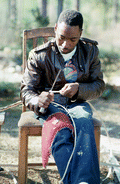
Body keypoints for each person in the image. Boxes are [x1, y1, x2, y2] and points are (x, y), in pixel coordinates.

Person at [21, 9, 105, 184]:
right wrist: (38, 100)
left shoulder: (90, 51)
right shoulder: (39, 55)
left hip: (77, 103)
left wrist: (79, 89)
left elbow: (99, 85)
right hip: (51, 106)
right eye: (61, 37)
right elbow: (26, 91)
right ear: (56, 28)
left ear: (80, 34)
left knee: (83, 121)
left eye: (73, 39)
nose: (65, 44)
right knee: (60, 131)